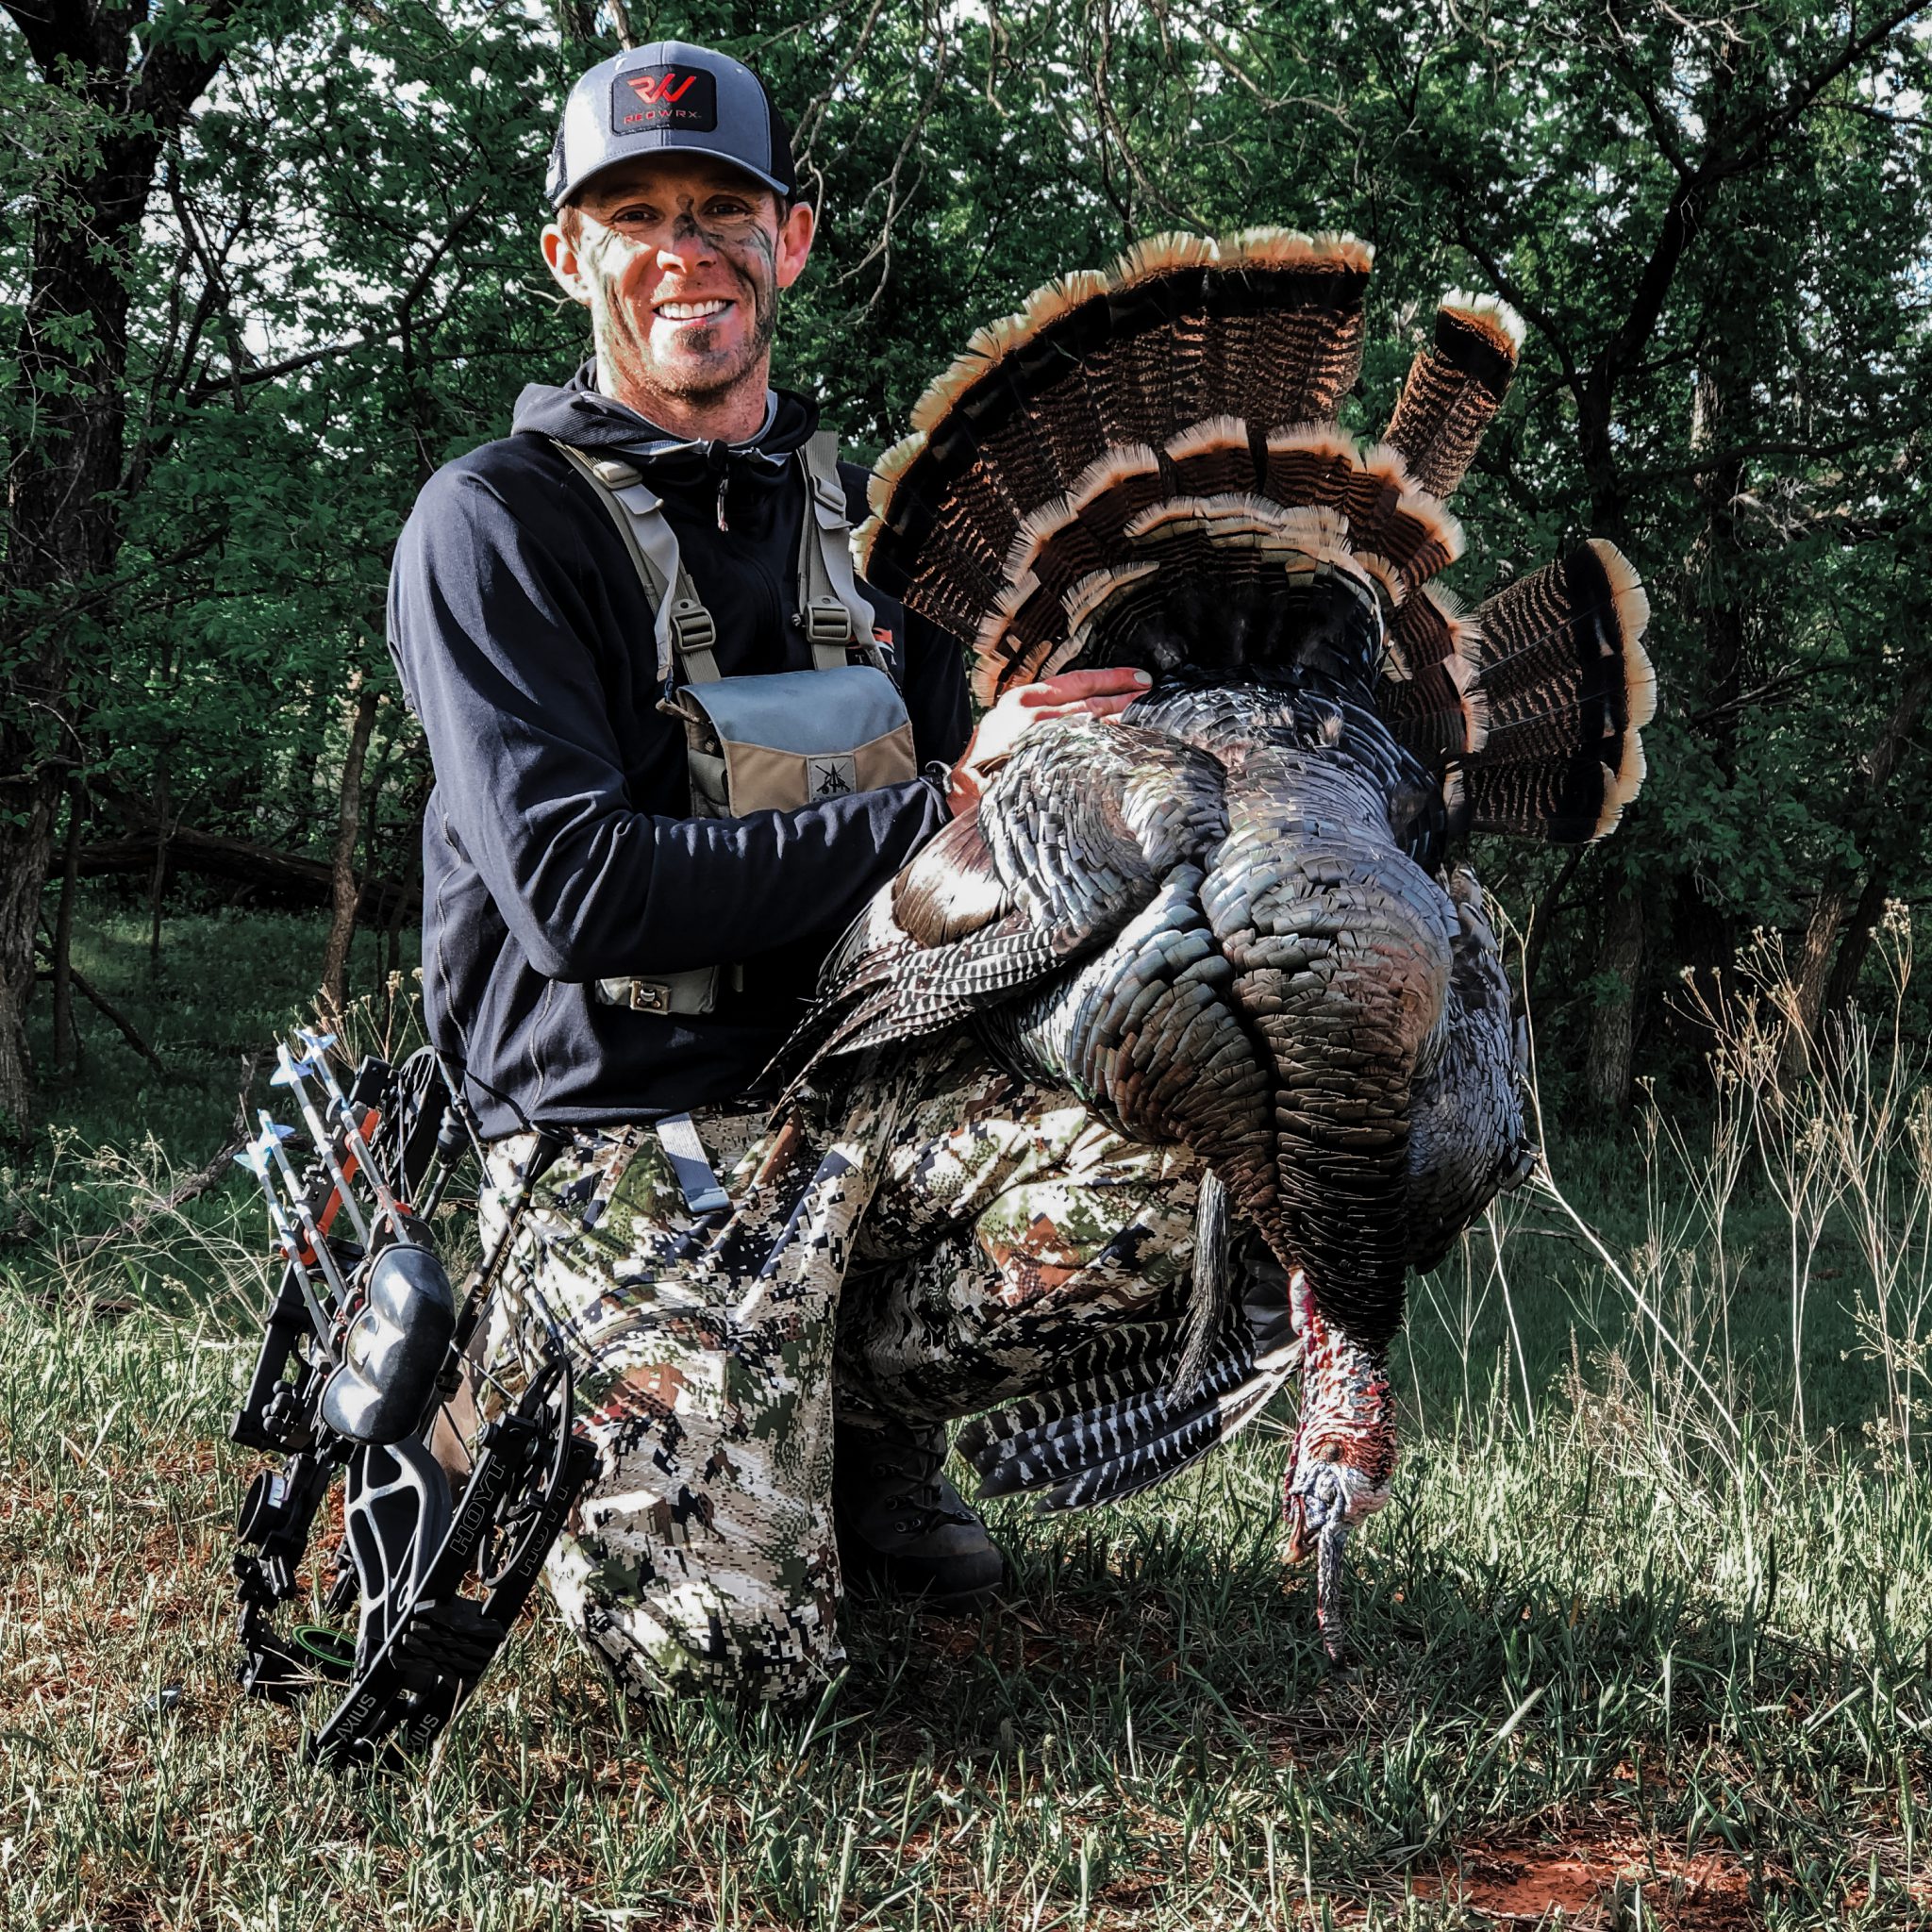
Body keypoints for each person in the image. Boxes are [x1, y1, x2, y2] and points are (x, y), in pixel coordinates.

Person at [386, 40, 1175, 1706]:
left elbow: (998, 840)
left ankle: (850, 1423)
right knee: (747, 1678)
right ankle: (536, 1373)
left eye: (722, 208)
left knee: (1198, 1175)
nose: (687, 247)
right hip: (612, 1134)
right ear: (570, 257)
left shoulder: (867, 545)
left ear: (789, 241)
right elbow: (579, 892)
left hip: (858, 1106)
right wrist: (944, 794)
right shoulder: (495, 525)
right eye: (635, 214)